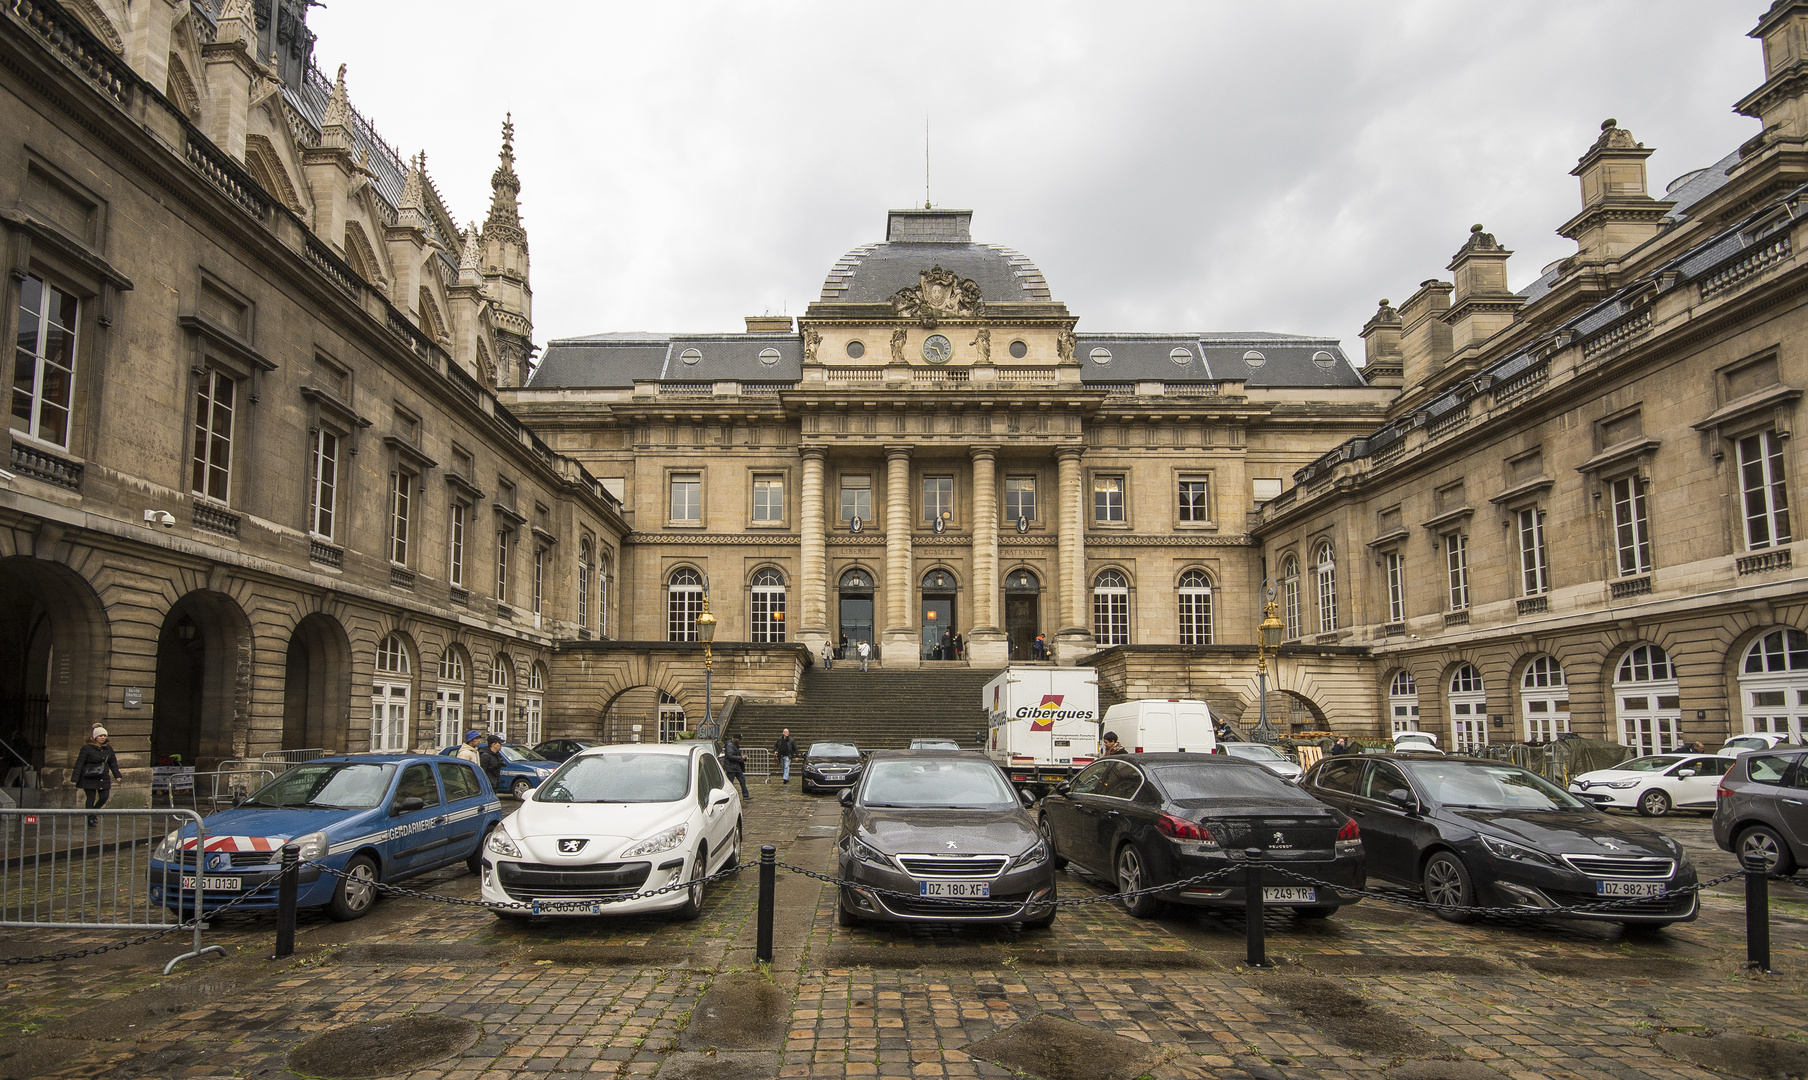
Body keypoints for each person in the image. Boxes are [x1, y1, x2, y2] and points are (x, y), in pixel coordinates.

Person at [74, 726, 121, 826]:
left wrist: (117, 775)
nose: (103, 737)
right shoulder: (86, 748)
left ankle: (93, 812)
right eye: (100, 736)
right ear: (95, 737)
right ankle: (90, 819)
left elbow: (113, 763)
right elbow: (79, 763)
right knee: (90, 798)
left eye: (104, 735)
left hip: (103, 776)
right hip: (89, 776)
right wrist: (76, 777)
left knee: (104, 796)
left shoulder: (108, 749)